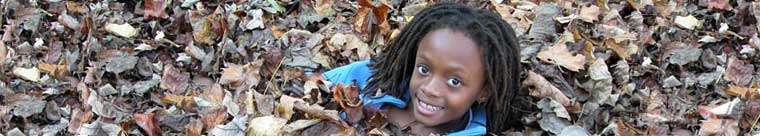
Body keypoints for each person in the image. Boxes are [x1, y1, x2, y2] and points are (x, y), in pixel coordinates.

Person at [322, 2, 526, 135]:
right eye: (424, 69)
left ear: (484, 91)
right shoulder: (367, 77)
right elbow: (307, 88)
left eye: (454, 81)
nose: (429, 88)